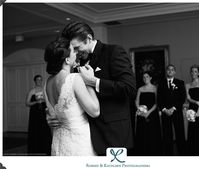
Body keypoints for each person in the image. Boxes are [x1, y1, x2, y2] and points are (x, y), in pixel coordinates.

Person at [47, 21, 136, 155]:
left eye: (77, 48)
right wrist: (55, 115)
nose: (75, 53)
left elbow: (129, 88)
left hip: (112, 134)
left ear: (88, 38)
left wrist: (94, 81)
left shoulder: (113, 52)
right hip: (83, 137)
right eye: (73, 49)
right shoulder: (74, 61)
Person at [44, 37, 100, 156]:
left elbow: (52, 113)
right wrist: (89, 81)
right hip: (78, 142)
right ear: (67, 60)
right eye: (73, 51)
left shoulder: (48, 82)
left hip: (59, 141)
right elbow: (95, 111)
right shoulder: (74, 79)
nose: (76, 53)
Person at [157, 64, 186, 155]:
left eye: (172, 69)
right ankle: (168, 154)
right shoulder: (161, 83)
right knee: (167, 135)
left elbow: (182, 98)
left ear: (175, 72)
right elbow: (159, 98)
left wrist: (173, 109)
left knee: (180, 133)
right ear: (166, 71)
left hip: (176, 112)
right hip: (165, 113)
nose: (170, 71)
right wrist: (165, 110)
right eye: (168, 69)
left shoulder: (180, 82)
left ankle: (182, 153)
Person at [134, 71, 162, 156]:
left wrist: (148, 112)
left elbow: (157, 103)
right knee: (142, 133)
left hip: (152, 114)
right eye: (143, 77)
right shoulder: (140, 89)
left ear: (150, 78)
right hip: (142, 114)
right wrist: (140, 110)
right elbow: (136, 101)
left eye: (147, 77)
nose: (145, 78)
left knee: (152, 134)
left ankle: (153, 152)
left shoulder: (155, 88)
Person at [25, 75, 52, 155]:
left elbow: (48, 102)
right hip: (35, 113)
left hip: (43, 112)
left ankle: (45, 147)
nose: (39, 81)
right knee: (35, 129)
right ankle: (35, 148)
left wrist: (44, 101)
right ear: (35, 81)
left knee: (44, 129)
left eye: (40, 80)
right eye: (37, 80)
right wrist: (36, 102)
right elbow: (27, 103)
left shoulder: (44, 90)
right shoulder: (32, 91)